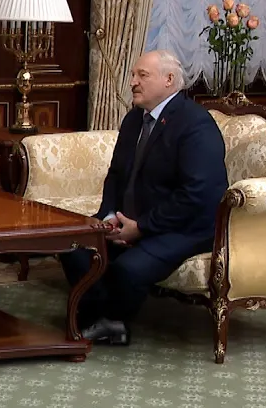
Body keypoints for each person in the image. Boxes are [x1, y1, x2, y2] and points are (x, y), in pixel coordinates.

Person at [59, 49, 229, 346]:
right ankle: (100, 317)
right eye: (133, 75)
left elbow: (196, 195)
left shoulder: (195, 124)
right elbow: (115, 175)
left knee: (128, 269)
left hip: (184, 227)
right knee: (72, 246)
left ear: (169, 79)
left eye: (142, 75)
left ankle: (111, 320)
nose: (132, 82)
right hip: (130, 220)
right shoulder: (134, 120)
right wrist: (109, 216)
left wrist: (141, 227)